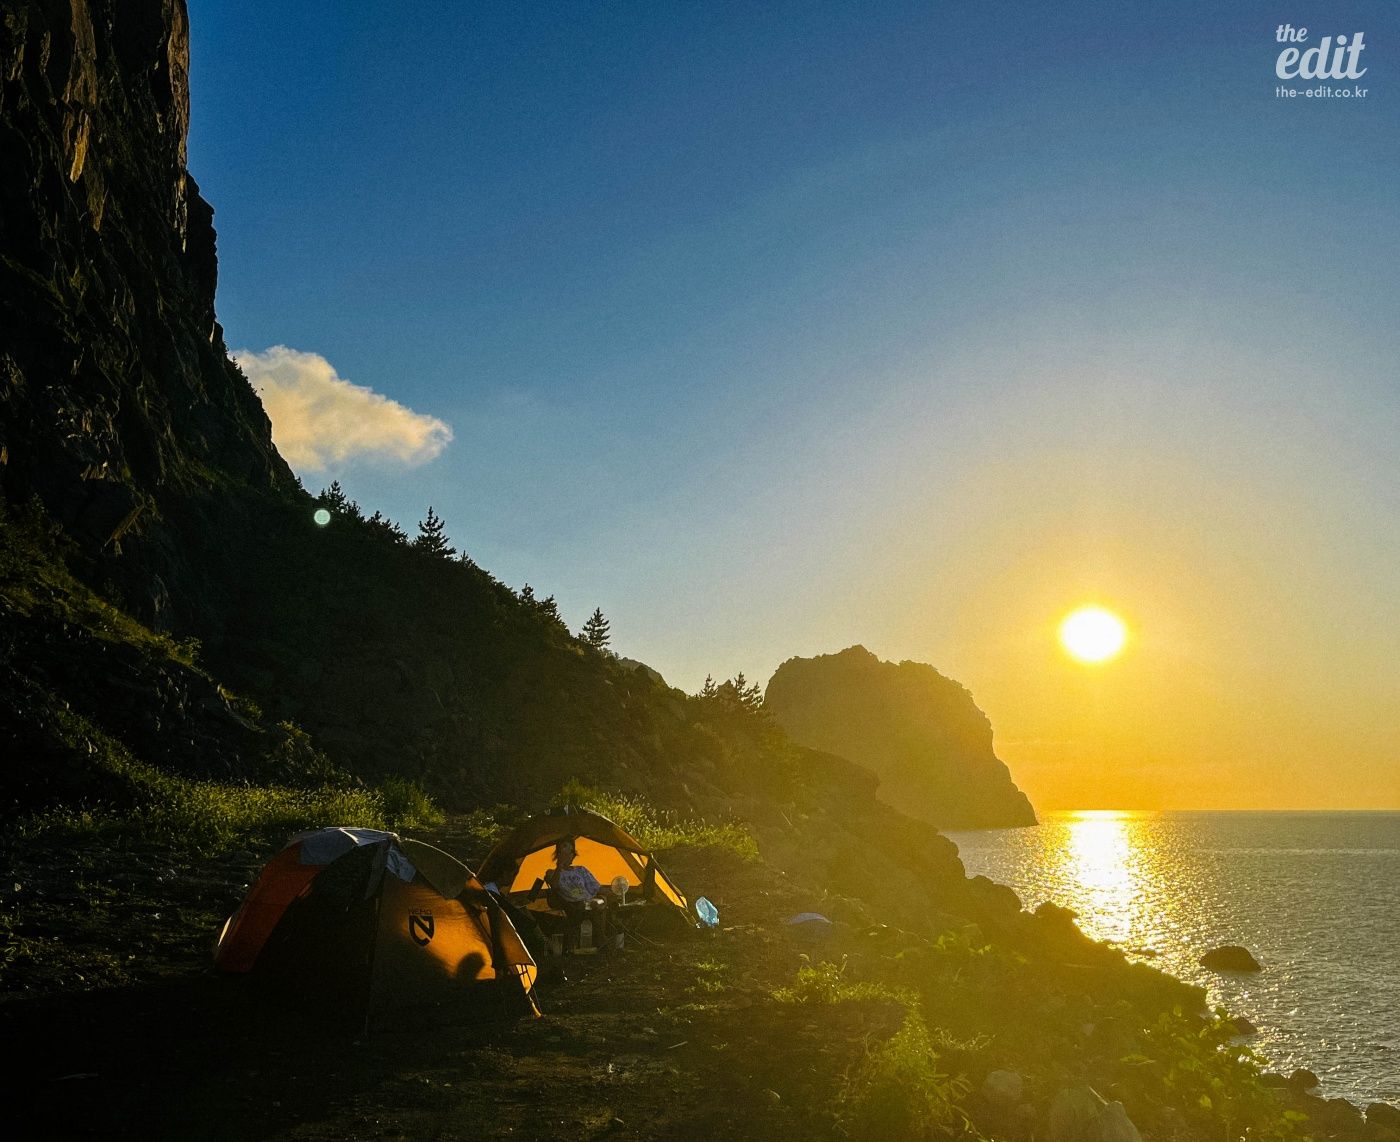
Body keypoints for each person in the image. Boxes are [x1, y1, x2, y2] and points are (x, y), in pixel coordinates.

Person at [545, 837, 615, 953]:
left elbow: (595, 888)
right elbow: (555, 886)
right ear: (558, 854)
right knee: (592, 907)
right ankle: (602, 941)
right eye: (564, 852)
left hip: (590, 901)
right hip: (571, 906)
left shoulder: (581, 870)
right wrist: (559, 866)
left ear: (573, 854)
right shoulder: (551, 872)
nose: (568, 855)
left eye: (570, 852)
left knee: (600, 901)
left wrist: (613, 891)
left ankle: (602, 940)